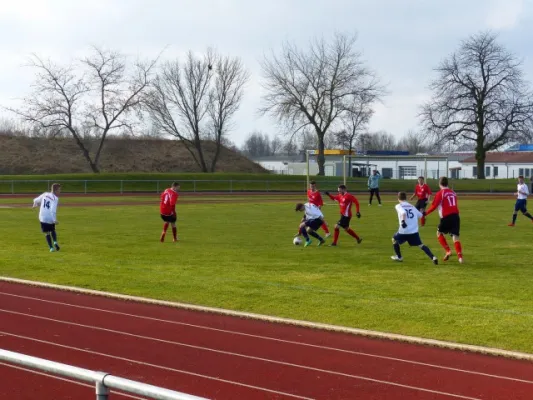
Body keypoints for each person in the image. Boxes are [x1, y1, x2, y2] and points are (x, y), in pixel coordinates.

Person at [391, 192, 438, 265]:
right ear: (406, 198)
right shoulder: (412, 206)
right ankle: (433, 257)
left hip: (403, 231)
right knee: (421, 245)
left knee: (394, 239)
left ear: (398, 198)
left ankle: (399, 257)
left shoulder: (398, 206)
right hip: (414, 232)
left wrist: (403, 221)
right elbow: (420, 215)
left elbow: (403, 213)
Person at [424, 177, 463, 263]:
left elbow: (434, 206)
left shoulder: (440, 193)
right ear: (447, 183)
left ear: (439, 184)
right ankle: (460, 258)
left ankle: (448, 251)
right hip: (456, 216)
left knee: (439, 233)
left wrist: (425, 213)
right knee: (455, 237)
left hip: (446, 217)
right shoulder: (453, 192)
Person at [32, 183, 62, 252]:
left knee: (47, 233)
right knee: (53, 229)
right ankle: (55, 242)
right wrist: (54, 219)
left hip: (42, 216)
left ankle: (51, 248)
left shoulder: (45, 194)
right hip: (50, 217)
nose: (60, 191)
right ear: (56, 190)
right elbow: (52, 209)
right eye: (59, 189)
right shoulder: (55, 198)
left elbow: (36, 200)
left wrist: (35, 203)